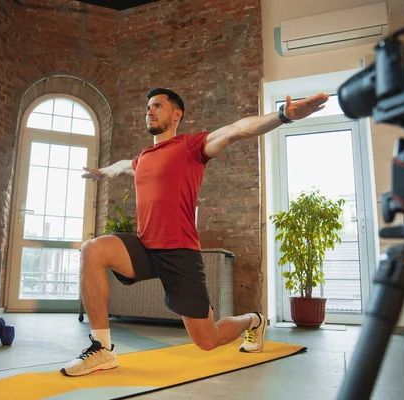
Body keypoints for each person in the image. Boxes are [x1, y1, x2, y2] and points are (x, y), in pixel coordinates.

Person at [61, 88, 329, 377]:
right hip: (145, 247)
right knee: (93, 249)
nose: (149, 111)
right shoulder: (144, 158)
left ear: (176, 114)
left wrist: (283, 116)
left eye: (157, 106)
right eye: (148, 107)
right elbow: (124, 166)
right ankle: (102, 349)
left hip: (180, 254)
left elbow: (235, 130)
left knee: (207, 339)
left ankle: (254, 320)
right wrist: (103, 171)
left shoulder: (190, 147)